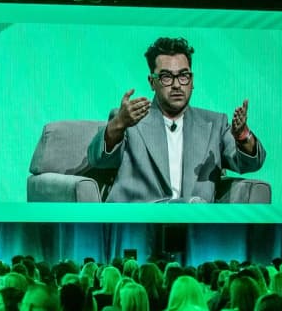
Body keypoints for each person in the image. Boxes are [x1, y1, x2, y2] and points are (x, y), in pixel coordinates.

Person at [87, 37, 267, 203]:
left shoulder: (215, 124)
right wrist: (118, 124)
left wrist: (243, 135)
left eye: (183, 76)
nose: (176, 84)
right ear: (152, 82)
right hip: (140, 223)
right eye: (166, 77)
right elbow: (97, 159)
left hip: (193, 225)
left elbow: (250, 163)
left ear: (192, 80)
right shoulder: (129, 119)